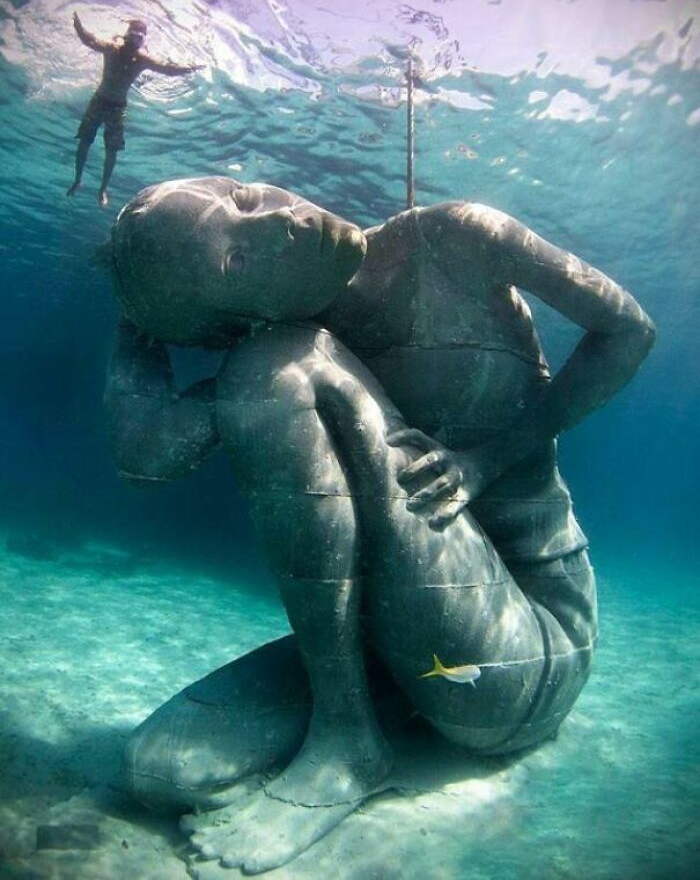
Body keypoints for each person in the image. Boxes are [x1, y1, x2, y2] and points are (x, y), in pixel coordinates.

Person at [102, 178, 655, 873]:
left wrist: (490, 461)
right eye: (236, 261)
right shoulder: (298, 349)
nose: (279, 221)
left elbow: (630, 329)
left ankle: (346, 741)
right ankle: (373, 714)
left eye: (240, 196)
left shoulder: (457, 238)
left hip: (535, 650)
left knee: (274, 365)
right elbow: (145, 456)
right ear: (240, 314)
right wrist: (138, 321)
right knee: (161, 768)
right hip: (418, 653)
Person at [66, 14, 202, 207]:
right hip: (99, 101)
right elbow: (90, 40)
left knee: (111, 151)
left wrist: (190, 68)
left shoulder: (142, 59)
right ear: (126, 35)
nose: (137, 37)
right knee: (84, 142)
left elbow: (167, 69)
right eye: (134, 33)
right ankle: (78, 179)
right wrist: (78, 26)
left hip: (117, 108)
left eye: (141, 35)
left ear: (143, 39)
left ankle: (103, 189)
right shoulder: (112, 48)